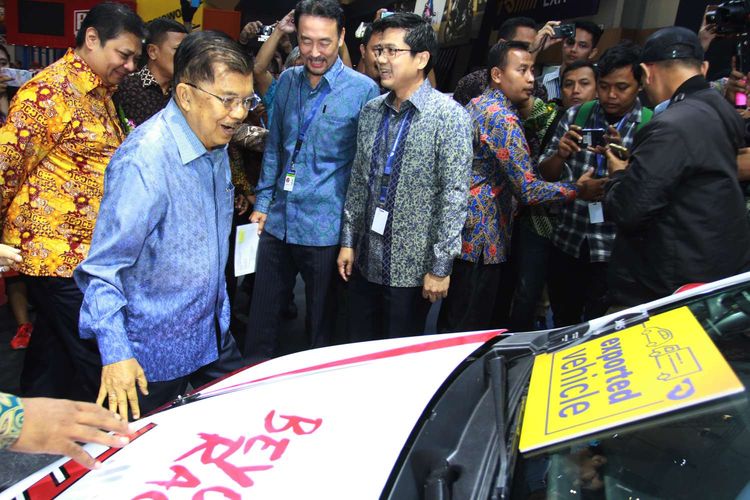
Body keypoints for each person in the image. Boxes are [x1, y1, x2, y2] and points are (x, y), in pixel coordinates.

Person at [75, 31, 253, 420]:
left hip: (210, 332)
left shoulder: (216, 141)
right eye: (228, 100)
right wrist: (117, 352)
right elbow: (102, 271)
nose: (239, 114)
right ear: (186, 95)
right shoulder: (144, 161)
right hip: (151, 354)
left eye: (246, 101)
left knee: (244, 423)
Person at [0, 3, 146, 401]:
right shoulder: (49, 92)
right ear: (92, 38)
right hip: (56, 253)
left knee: (53, 347)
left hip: (83, 251)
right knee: (100, 351)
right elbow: (6, 164)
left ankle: (35, 422)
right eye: (124, 54)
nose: (131, 65)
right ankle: (115, 441)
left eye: (135, 57)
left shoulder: (101, 93)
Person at [245, 0, 379, 363]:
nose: (315, 52)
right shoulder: (288, 82)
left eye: (324, 42)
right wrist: (261, 204)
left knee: (321, 329)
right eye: (306, 41)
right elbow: (275, 147)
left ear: (341, 38)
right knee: (261, 323)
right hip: (278, 221)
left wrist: (350, 238)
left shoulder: (363, 91)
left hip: (325, 229)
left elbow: (362, 173)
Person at [338, 13, 472, 340]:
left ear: (421, 58)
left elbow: (454, 197)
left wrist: (440, 268)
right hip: (366, 261)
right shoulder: (371, 112)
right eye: (379, 50)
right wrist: (347, 241)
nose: (381, 59)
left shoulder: (449, 117)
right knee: (357, 348)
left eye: (392, 52)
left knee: (397, 360)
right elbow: (359, 182)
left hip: (412, 271)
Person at [438, 41, 581, 333]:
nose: (531, 79)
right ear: (497, 74)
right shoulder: (502, 118)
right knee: (469, 329)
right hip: (483, 238)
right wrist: (577, 189)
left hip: (467, 231)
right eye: (522, 70)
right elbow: (527, 190)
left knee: (456, 319)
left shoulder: (479, 103)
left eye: (533, 71)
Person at [605, 27, 750, 307]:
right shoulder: (721, 109)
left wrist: (619, 174)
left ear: (647, 72)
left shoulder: (670, 126)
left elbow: (629, 210)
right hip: (710, 267)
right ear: (703, 68)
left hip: (668, 284)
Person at [538, 41, 650, 327]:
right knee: (563, 320)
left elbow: (650, 192)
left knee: (603, 328)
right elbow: (545, 176)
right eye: (604, 86)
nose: (611, 95)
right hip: (569, 239)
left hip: (615, 249)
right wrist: (560, 154)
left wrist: (622, 160)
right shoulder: (578, 115)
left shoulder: (651, 125)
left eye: (621, 87)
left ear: (640, 84)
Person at [510, 60, 599, 331]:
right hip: (540, 221)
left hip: (582, 228)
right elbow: (543, 174)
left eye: (584, 84)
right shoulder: (550, 115)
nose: (575, 91)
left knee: (577, 302)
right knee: (528, 292)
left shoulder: (610, 122)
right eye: (568, 84)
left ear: (598, 88)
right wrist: (561, 154)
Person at [452, 17, 554, 107]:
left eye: (535, 46)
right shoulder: (472, 83)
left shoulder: (538, 89)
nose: (528, 51)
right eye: (522, 46)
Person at [114, 18, 188, 131]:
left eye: (186, 51)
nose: (184, 57)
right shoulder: (127, 87)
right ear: (152, 51)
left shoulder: (183, 93)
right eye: (178, 50)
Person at [541, 21, 602, 102]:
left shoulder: (599, 81)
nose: (573, 49)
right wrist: (535, 49)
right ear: (562, 44)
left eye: (582, 45)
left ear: (592, 53)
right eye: (570, 42)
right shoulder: (542, 82)